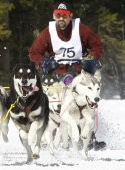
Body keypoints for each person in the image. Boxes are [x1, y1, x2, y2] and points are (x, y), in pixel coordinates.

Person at [29, 1, 106, 150]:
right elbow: (34, 53)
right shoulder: (48, 32)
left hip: (79, 72)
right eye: (57, 15)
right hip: (57, 73)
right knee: (52, 102)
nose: (60, 19)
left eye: (64, 16)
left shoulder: (80, 29)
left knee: (86, 98)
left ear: (70, 16)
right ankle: (47, 135)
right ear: (54, 16)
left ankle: (89, 137)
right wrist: (43, 62)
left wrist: (91, 58)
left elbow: (97, 45)